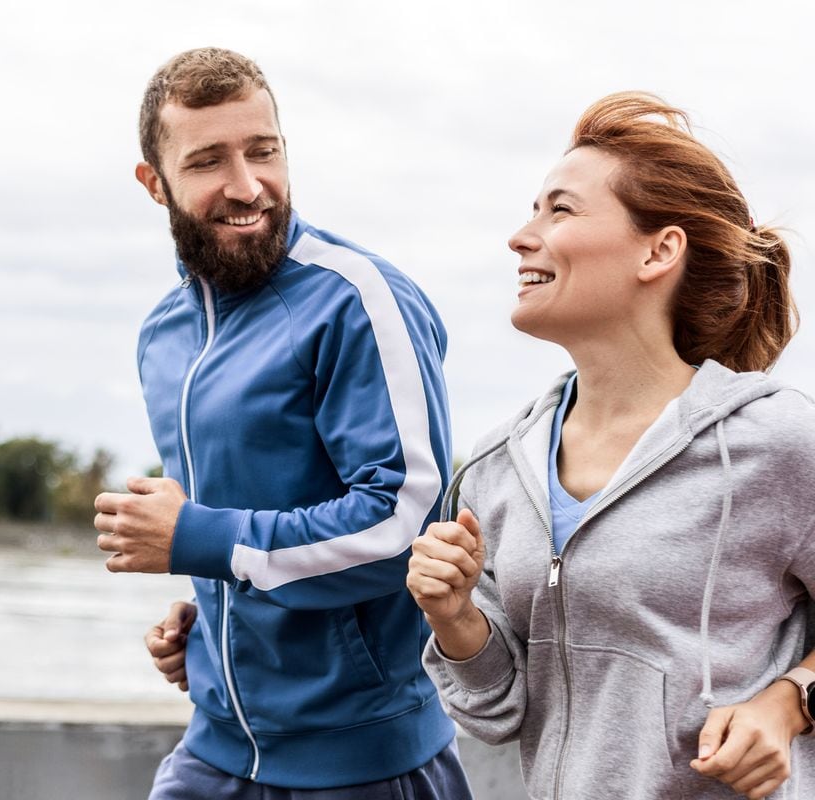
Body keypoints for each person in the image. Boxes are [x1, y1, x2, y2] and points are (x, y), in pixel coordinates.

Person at [407, 91, 815, 799]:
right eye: (534, 209)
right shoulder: (497, 468)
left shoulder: (776, 441)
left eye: (559, 210)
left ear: (659, 251)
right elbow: (495, 711)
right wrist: (456, 618)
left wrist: (790, 700)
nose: (521, 236)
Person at [93, 48, 472, 799]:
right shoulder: (163, 336)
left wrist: (199, 541)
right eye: (208, 162)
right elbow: (239, 532)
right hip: (215, 749)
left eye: (263, 151)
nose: (247, 185)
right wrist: (212, 628)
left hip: (363, 765)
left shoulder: (356, 300)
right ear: (154, 183)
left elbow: (406, 525)